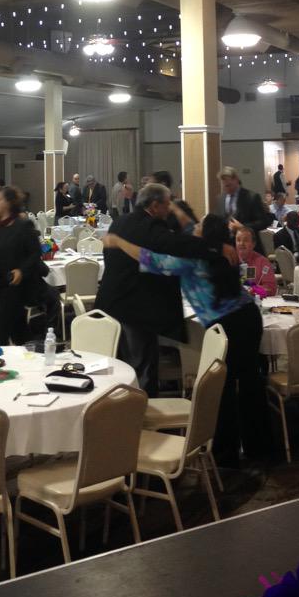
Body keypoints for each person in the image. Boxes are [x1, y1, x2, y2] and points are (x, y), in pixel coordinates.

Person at [104, 214, 271, 469]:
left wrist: (118, 241)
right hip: (248, 316)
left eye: (200, 226)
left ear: (205, 236)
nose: (194, 227)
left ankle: (226, 453)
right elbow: (187, 226)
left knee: (222, 386)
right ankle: (259, 447)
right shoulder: (221, 253)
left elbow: (149, 259)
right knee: (250, 382)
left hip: (227, 323)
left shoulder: (192, 259)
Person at [96, 183, 212, 395]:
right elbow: (176, 245)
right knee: (142, 368)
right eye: (167, 204)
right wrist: (215, 245)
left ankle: (117, 406)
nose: (169, 209)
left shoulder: (120, 221)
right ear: (155, 205)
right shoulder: (150, 226)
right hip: (136, 306)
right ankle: (143, 408)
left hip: (110, 302)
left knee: (120, 365)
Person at [0, 185, 50, 344]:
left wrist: (21, 271)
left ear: (9, 202)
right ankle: (30, 351)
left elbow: (35, 253)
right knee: (19, 330)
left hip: (14, 284)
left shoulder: (23, 225)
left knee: (0, 331)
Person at [216, 167, 271, 252]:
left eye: (228, 185)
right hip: (229, 249)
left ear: (236, 180)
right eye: (224, 186)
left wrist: (243, 227)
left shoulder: (252, 197)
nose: (226, 189)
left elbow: (264, 222)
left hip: (249, 248)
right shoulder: (220, 199)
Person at [235, 226, 277, 297]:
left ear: (253, 244)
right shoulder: (229, 260)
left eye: (245, 240)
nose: (241, 243)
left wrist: (255, 290)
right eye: (238, 240)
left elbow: (271, 289)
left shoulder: (262, 262)